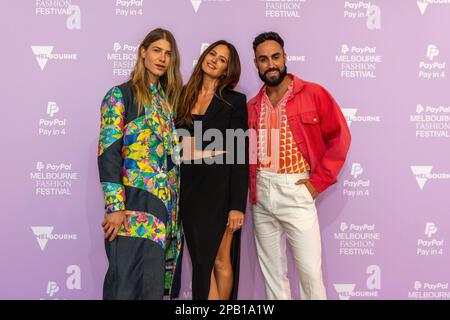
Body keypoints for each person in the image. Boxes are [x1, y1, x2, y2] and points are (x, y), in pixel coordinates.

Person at [248, 32, 351, 300]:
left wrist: (318, 183)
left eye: (275, 57)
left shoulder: (313, 93)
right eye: (263, 59)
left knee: (309, 274)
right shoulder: (252, 106)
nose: (270, 64)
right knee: (273, 275)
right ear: (256, 64)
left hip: (296, 189)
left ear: (285, 57)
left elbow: (340, 137)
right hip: (262, 193)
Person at [98, 28, 183, 300]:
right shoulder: (120, 96)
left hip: (164, 212)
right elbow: (108, 152)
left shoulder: (167, 102)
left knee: (155, 289)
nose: (162, 58)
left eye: (168, 54)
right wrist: (114, 207)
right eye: (156, 50)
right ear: (143, 52)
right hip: (131, 210)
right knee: (125, 286)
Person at [176, 40, 249, 300]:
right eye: (212, 54)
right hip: (190, 192)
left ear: (228, 71)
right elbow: (180, 147)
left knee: (220, 259)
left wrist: (237, 205)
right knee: (201, 262)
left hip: (220, 192)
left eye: (222, 60)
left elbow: (239, 154)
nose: (214, 60)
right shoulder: (182, 95)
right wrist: (211, 152)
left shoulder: (235, 101)